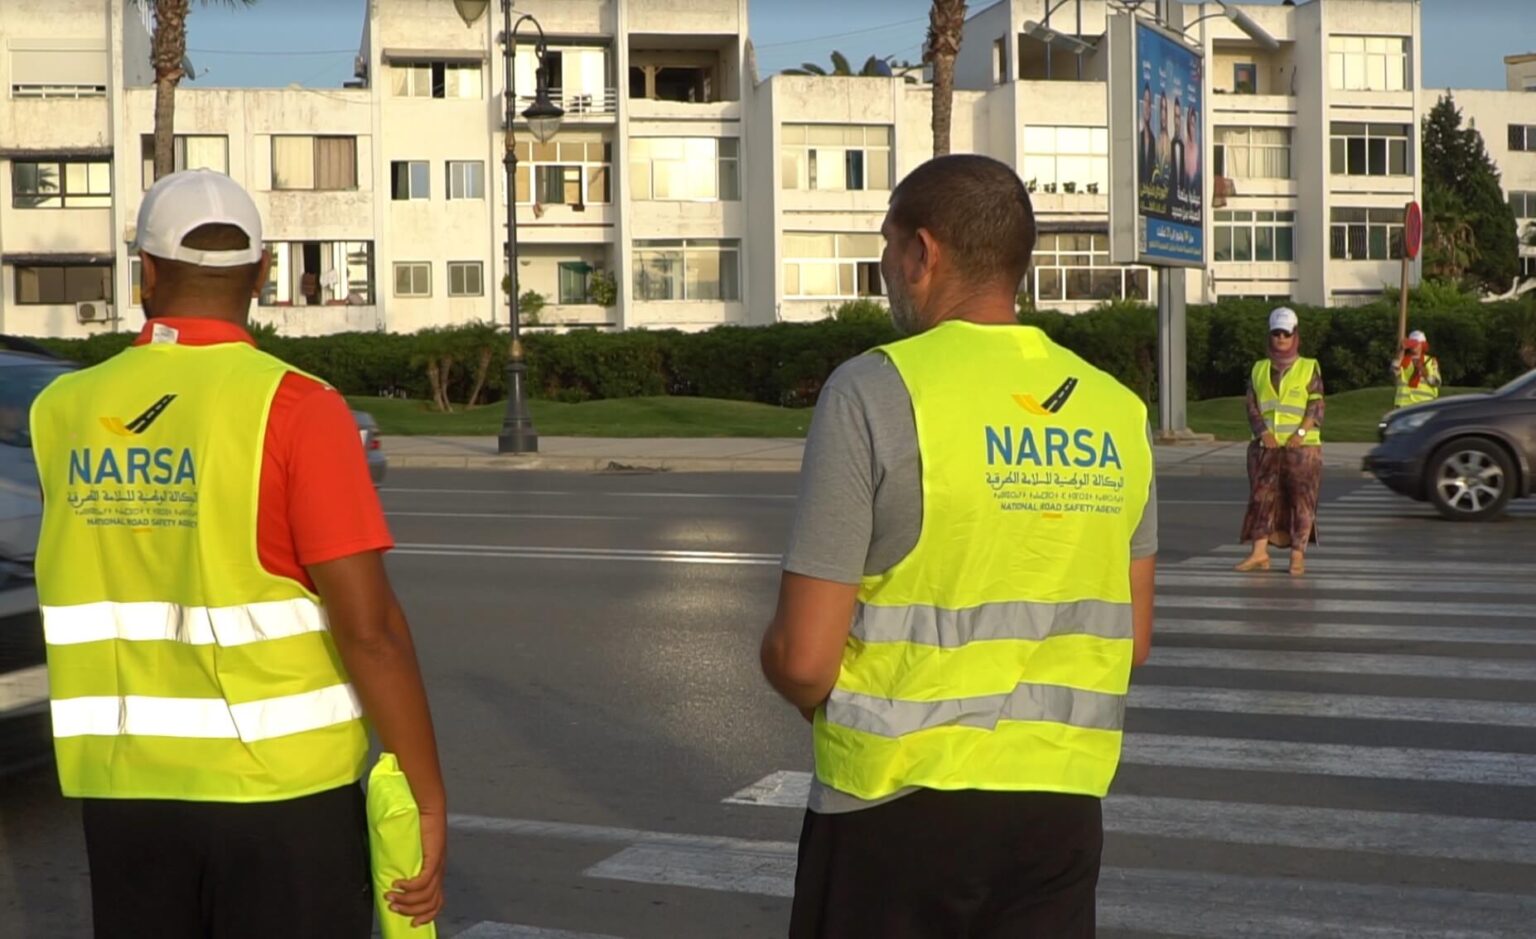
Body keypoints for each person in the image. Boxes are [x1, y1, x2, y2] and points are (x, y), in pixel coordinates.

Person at [30, 170, 446, 937]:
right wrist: (426, 798)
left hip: (123, 795)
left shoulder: (62, 409)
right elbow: (371, 631)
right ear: (262, 273)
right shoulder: (298, 407)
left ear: (145, 272)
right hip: (281, 797)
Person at [759, 154, 1158, 939]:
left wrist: (787, 668)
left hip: (891, 813)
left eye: (886, 246)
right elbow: (1133, 637)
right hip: (1059, 817)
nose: (884, 267)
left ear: (923, 252)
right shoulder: (1118, 411)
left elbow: (804, 659)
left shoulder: (874, 390)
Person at [1236, 306, 1324, 576]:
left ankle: (1297, 556)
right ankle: (1259, 553)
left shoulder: (1308, 367)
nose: (1281, 339)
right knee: (1261, 498)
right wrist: (1263, 432)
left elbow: (1316, 406)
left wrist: (1300, 434)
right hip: (1266, 447)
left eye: (1286, 333)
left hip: (1302, 449)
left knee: (1301, 501)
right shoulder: (1259, 369)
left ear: (1295, 335)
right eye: (1276, 333)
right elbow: (1251, 405)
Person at [1392, 329, 1441, 409]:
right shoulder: (1403, 360)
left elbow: (1437, 383)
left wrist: (1425, 373)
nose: (1413, 346)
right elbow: (1394, 370)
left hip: (1425, 404)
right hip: (1404, 404)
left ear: (1422, 345)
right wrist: (1401, 350)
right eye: (1411, 344)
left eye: (1415, 344)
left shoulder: (1431, 361)